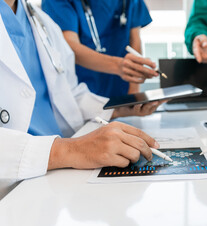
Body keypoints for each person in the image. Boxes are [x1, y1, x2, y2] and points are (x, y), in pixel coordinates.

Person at [0, 0, 162, 197]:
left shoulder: (41, 21)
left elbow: (69, 95)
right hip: (13, 185)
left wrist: (119, 108)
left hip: (53, 180)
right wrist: (70, 150)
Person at [41, 0, 156, 97]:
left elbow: (135, 40)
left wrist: (133, 94)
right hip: (81, 95)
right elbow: (69, 46)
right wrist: (118, 66)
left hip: (121, 94)